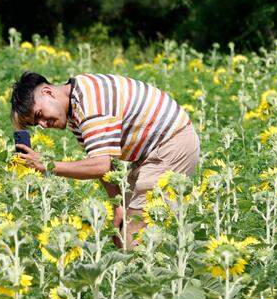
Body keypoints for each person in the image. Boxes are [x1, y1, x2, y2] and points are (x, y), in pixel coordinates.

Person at [10, 72, 201, 247]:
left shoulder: (90, 105)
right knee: (121, 230)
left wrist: (46, 166)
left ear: (48, 92)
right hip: (154, 153)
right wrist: (117, 204)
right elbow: (102, 161)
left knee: (134, 237)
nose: (43, 124)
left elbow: (100, 166)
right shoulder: (77, 102)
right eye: (37, 123)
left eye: (39, 115)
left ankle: (149, 281)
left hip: (170, 146)